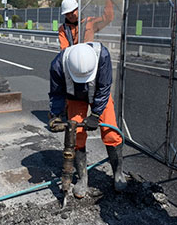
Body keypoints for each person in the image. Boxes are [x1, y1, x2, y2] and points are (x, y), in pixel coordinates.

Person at [48, 42, 126, 198]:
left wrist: (95, 115)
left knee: (111, 133)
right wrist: (56, 115)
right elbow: (56, 93)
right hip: (75, 97)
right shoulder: (57, 65)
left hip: (98, 95)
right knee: (76, 136)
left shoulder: (102, 56)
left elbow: (104, 88)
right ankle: (83, 178)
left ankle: (118, 173)